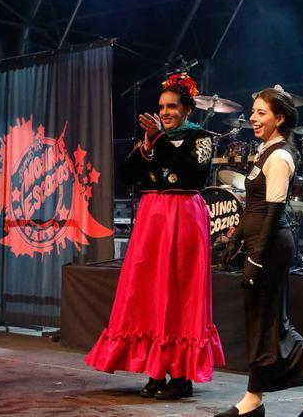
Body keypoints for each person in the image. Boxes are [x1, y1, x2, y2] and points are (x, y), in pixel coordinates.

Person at [84, 73, 225, 399]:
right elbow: (128, 177)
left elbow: (194, 173)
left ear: (188, 109)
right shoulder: (152, 139)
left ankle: (181, 374)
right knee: (149, 290)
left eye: (172, 106)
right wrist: (146, 146)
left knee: (179, 290)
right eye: (162, 106)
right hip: (152, 217)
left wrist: (159, 140)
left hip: (184, 214)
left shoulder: (200, 138)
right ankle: (156, 369)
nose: (165, 112)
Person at [217, 87, 303, 417]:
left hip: (272, 247)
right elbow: (253, 208)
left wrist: (256, 257)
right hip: (261, 242)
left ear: (280, 118)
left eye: (261, 113)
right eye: (253, 111)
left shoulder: (280, 156)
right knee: (263, 321)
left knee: (274, 322)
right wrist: (234, 241)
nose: (253, 118)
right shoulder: (263, 150)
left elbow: (273, 213)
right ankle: (255, 397)